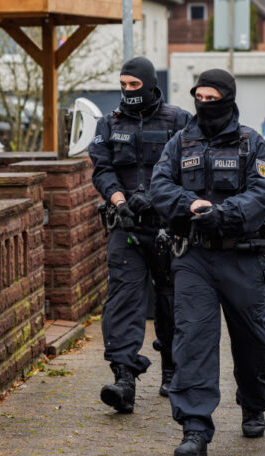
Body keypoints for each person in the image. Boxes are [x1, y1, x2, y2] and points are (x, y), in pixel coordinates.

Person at [149, 69, 265, 456]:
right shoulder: (179, 143)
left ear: (228, 98)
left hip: (241, 256)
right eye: (198, 96)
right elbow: (159, 186)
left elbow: (262, 194)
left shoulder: (251, 144)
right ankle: (195, 429)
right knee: (193, 340)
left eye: (212, 97)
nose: (205, 103)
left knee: (253, 340)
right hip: (194, 258)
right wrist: (190, 206)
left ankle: (253, 404)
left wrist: (223, 213)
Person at [89, 57, 191, 413]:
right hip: (127, 225)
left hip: (167, 225)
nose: (128, 91)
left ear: (149, 84)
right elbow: (102, 169)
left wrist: (161, 197)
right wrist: (119, 202)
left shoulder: (179, 121)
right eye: (123, 85)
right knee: (123, 298)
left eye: (134, 85)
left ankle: (172, 369)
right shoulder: (108, 123)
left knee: (170, 299)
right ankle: (124, 379)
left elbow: (188, 169)